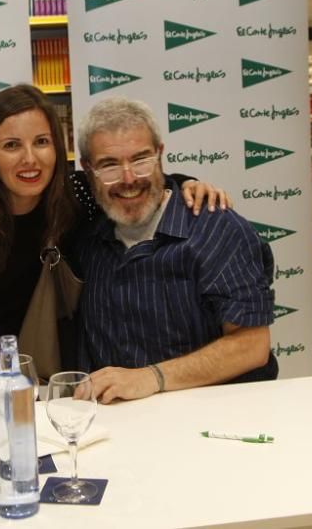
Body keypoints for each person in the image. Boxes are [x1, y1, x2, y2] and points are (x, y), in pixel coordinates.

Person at [0, 85, 229, 408]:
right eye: (11, 146)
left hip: (22, 357)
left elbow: (134, 184)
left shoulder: (73, 195)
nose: (30, 159)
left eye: (41, 142)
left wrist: (188, 185)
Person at [73, 97, 278, 404]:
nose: (129, 179)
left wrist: (151, 378)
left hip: (213, 422)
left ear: (160, 154)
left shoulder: (215, 230)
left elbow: (252, 345)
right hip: (112, 425)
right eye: (109, 165)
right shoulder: (86, 235)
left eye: (141, 160)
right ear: (88, 170)